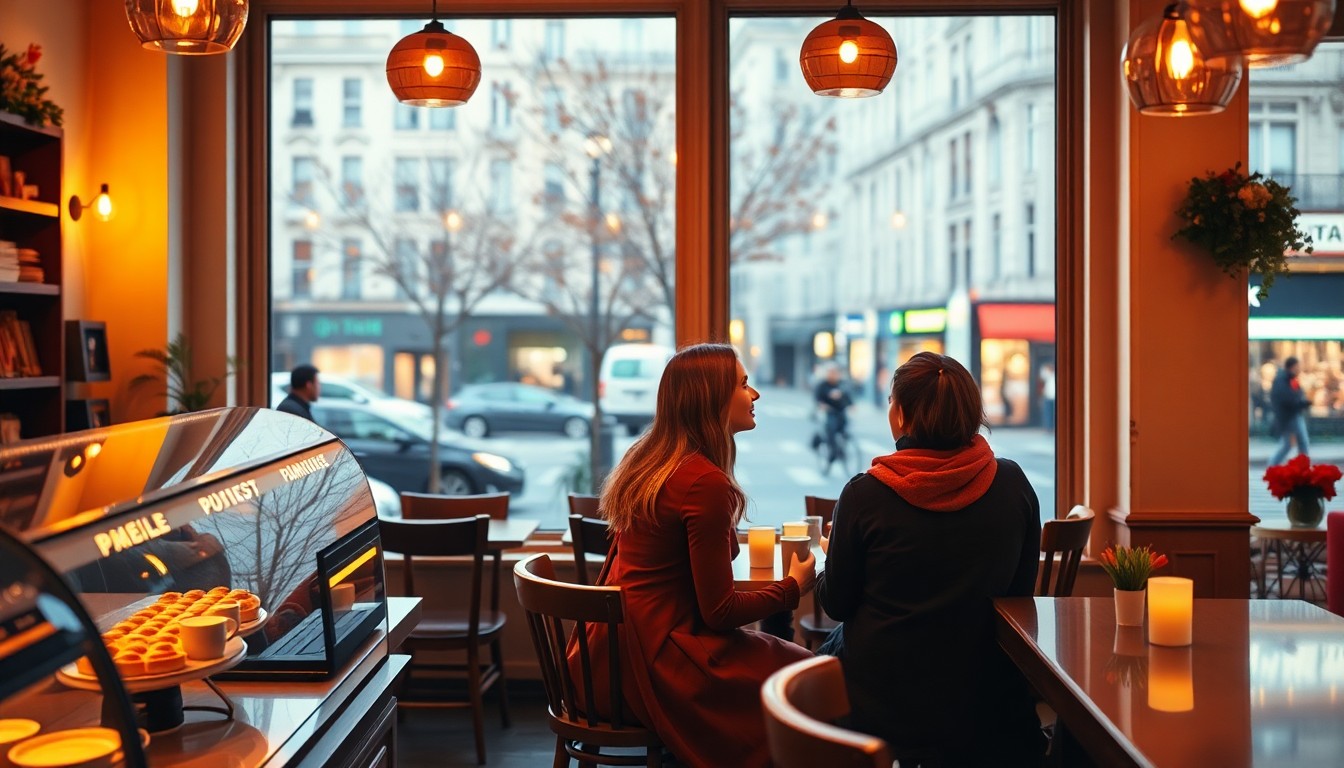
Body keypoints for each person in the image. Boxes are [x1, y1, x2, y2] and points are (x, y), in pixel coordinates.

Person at [570, 343, 815, 768]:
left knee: (787, 666)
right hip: (654, 665)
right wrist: (792, 588)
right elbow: (719, 611)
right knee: (809, 679)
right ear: (711, 397)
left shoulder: (647, 460)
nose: (754, 394)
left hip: (602, 657)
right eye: (743, 384)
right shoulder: (703, 482)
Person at [816, 351, 1045, 766]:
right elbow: (1019, 593)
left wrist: (832, 558)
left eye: (890, 401)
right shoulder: (1012, 483)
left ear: (901, 416)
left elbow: (835, 604)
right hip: (984, 698)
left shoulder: (865, 495)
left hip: (880, 700)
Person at [1269, 356, 1311, 465]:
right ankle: (1302, 466)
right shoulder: (1282, 380)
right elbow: (1287, 398)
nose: (1299, 369)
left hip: (1292, 415)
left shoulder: (1289, 379)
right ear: (1292, 367)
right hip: (1289, 416)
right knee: (1300, 443)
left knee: (1291, 444)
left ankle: (1274, 466)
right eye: (1298, 366)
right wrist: (1301, 403)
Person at [813, 364, 853, 475]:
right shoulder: (822, 385)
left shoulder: (842, 384)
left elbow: (848, 396)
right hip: (829, 413)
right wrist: (822, 405)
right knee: (830, 429)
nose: (833, 375)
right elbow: (817, 398)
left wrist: (851, 405)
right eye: (831, 373)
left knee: (845, 428)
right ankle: (831, 453)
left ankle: (842, 449)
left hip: (840, 411)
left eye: (835, 373)